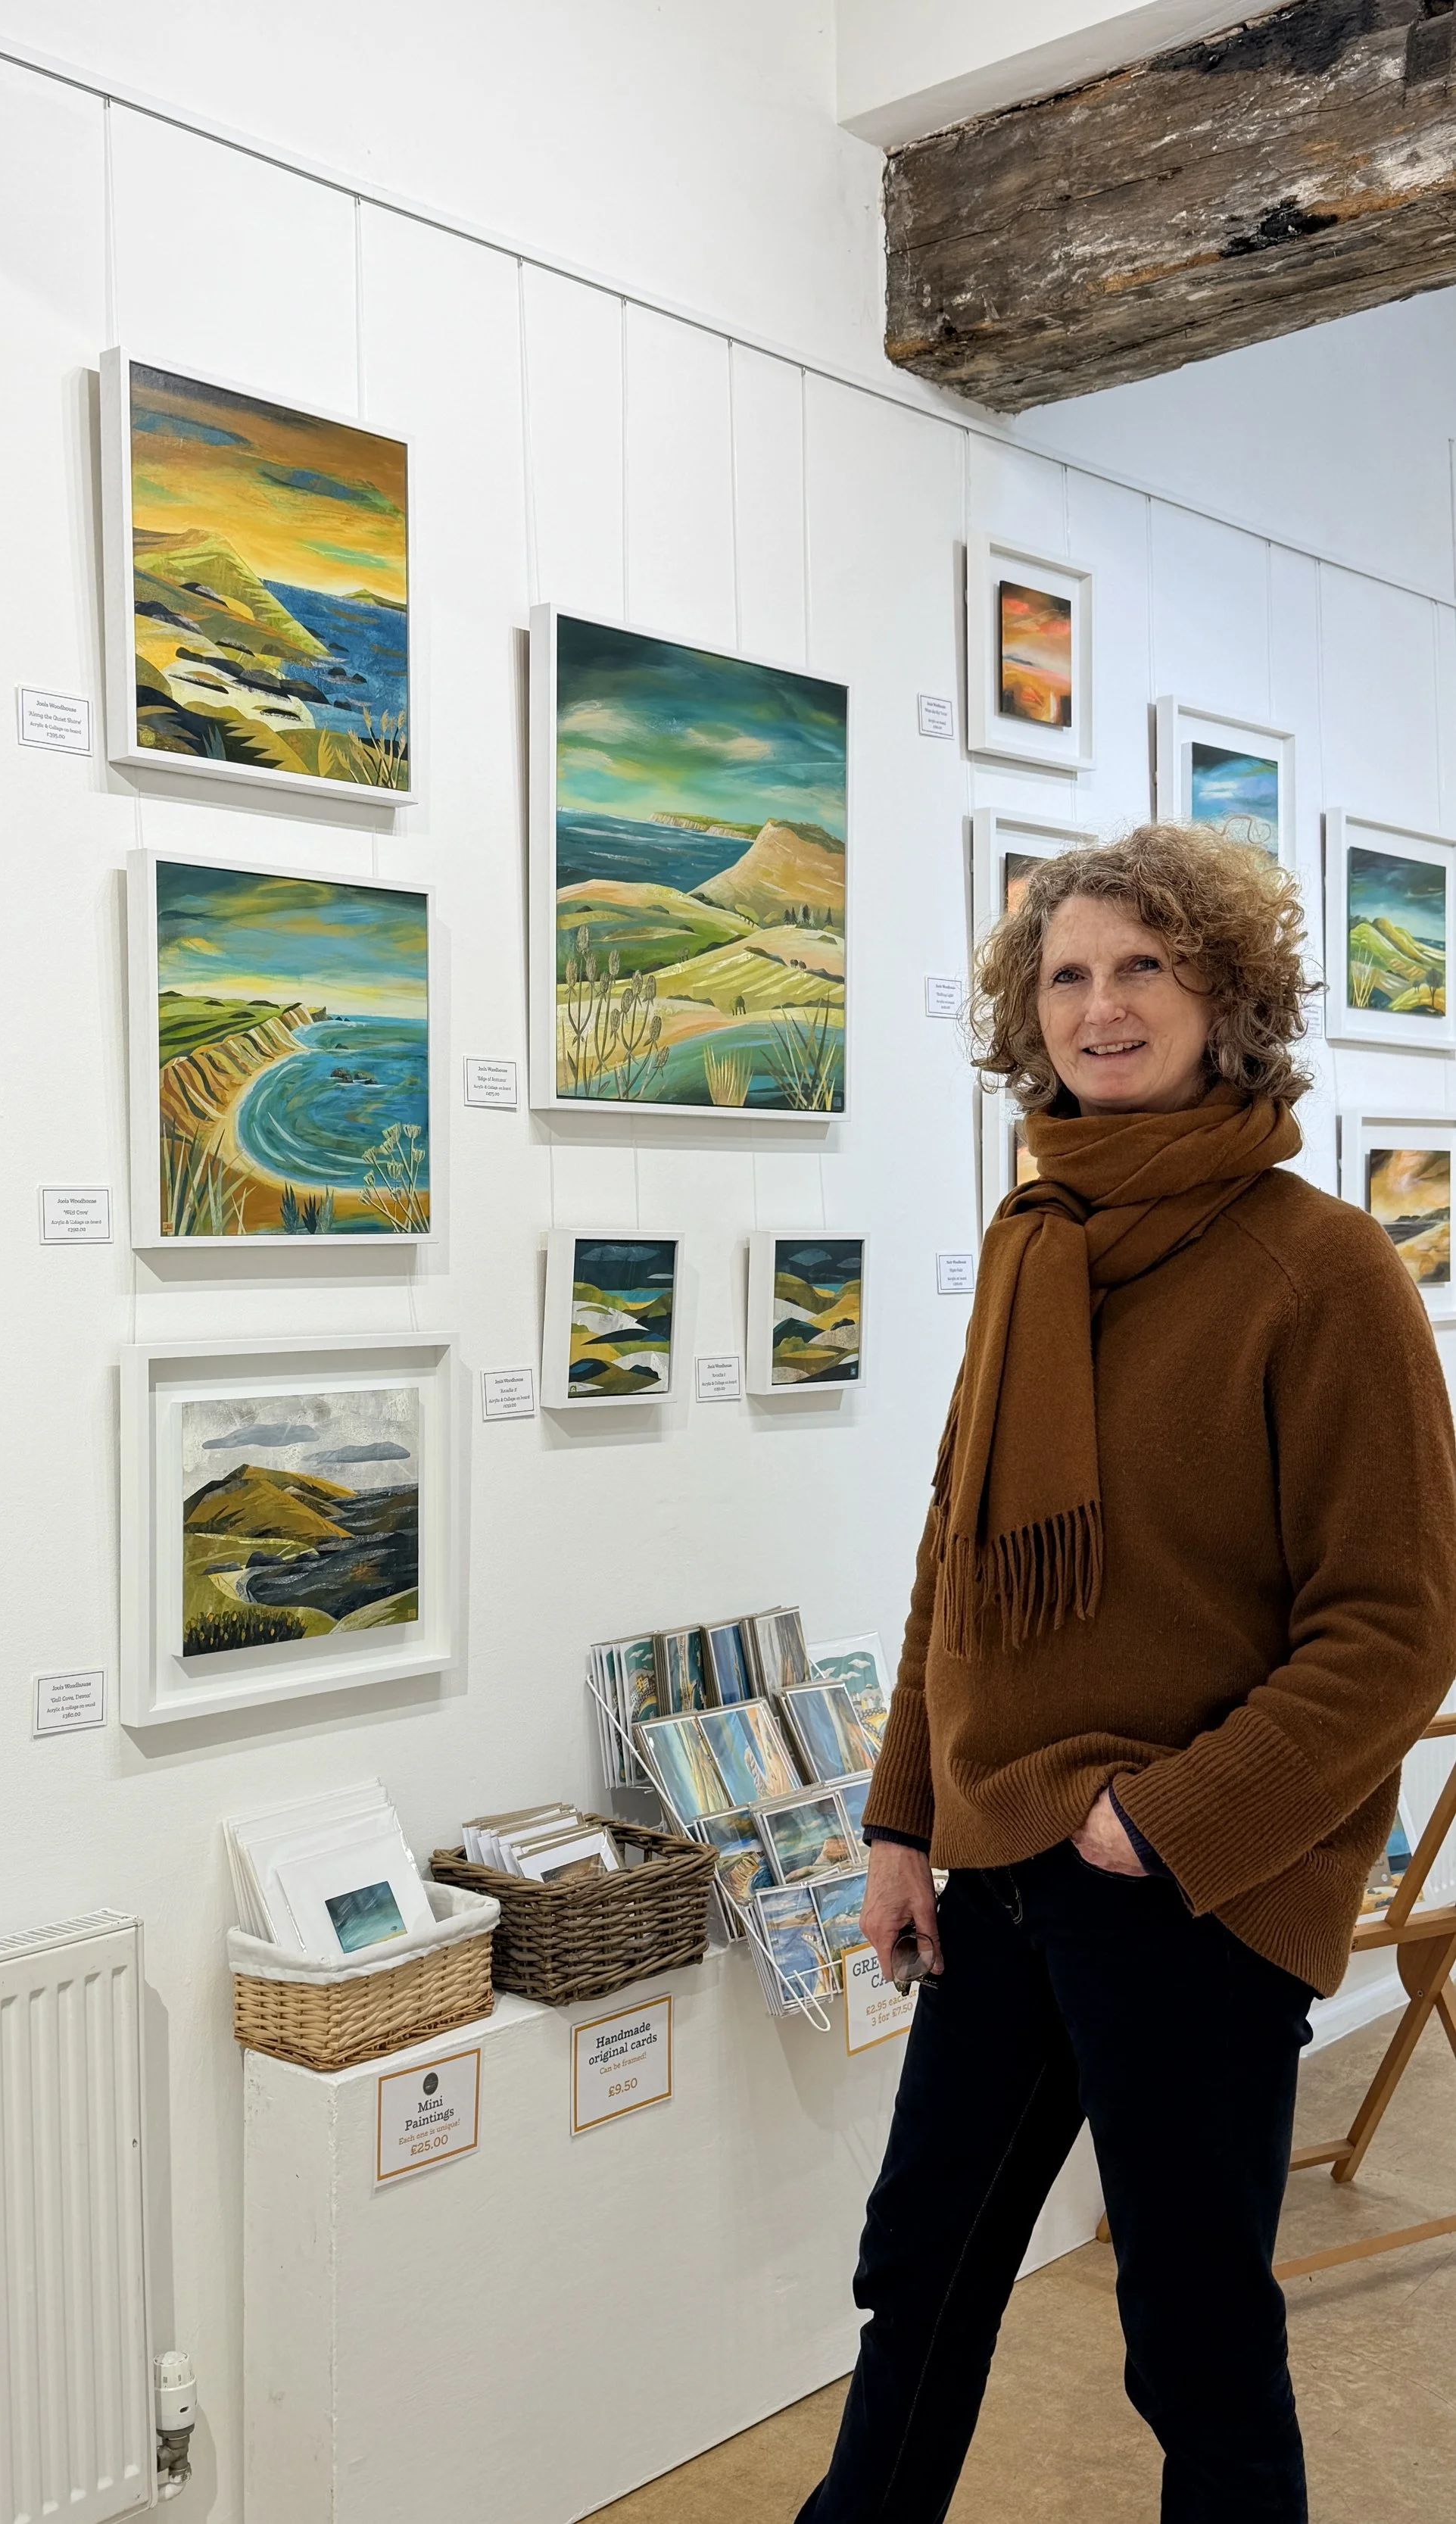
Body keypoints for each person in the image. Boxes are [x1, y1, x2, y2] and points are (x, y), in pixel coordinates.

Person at [797, 825, 1456, 2524]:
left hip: (1183, 1884)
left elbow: (1394, 1626)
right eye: (1064, 974)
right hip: (996, 1855)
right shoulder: (1031, 1241)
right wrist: (896, 1823)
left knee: (1191, 2333)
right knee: (914, 2279)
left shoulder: (1320, 1270)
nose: (1097, 1007)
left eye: (1140, 968)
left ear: (1224, 995)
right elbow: (956, 1554)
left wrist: (1156, 1827)